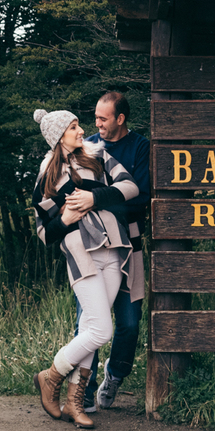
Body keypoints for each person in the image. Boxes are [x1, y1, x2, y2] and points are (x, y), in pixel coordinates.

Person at [31, 108, 142, 429]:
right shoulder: (48, 176)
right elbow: (44, 233)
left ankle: (74, 402)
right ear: (58, 135)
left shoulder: (98, 156)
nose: (82, 131)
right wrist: (65, 219)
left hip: (114, 248)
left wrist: (94, 198)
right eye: (74, 127)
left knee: (93, 328)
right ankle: (50, 376)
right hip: (82, 254)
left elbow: (130, 187)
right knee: (101, 331)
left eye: (79, 125)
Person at [81, 92, 149, 411]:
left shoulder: (140, 147)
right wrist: (113, 198)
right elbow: (78, 193)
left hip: (130, 243)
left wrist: (101, 199)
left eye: (103, 118)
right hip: (95, 244)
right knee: (89, 319)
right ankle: (83, 389)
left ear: (120, 119)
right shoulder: (89, 147)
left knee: (130, 321)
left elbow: (142, 196)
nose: (97, 123)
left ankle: (115, 375)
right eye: (96, 117)